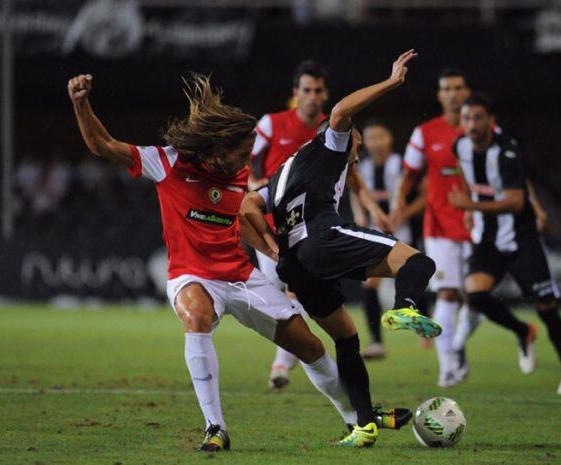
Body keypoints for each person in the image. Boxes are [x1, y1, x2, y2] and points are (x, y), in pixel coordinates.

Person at [67, 72, 406, 452]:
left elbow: (235, 223)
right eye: (241, 154)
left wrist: (274, 250)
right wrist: (81, 102)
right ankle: (216, 428)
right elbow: (102, 144)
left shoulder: (237, 174)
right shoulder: (166, 162)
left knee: (309, 346)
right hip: (191, 276)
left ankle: (356, 418)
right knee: (196, 316)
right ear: (217, 147)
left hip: (241, 278)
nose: (246, 162)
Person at [240, 49, 440, 447]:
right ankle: (406, 306)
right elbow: (339, 112)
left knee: (346, 339)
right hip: (322, 238)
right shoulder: (330, 145)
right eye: (358, 142)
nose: (359, 147)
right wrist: (391, 82)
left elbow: (246, 208)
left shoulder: (282, 172)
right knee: (419, 263)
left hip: (295, 262)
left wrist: (275, 251)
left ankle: (363, 424)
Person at [449, 93, 561, 395]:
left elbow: (514, 199)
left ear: (491, 121)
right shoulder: (461, 147)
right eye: (466, 118)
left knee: (546, 307)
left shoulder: (506, 150)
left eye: (478, 117)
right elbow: (466, 175)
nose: (471, 124)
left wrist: (471, 204)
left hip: (520, 238)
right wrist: (471, 209)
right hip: (487, 240)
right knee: (475, 294)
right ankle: (523, 332)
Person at [392, 67, 480, 387]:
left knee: (478, 298)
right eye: (447, 89)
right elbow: (409, 174)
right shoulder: (425, 133)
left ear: (467, 92)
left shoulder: (483, 129)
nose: (453, 94)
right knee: (446, 293)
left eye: (458, 88)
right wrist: (398, 203)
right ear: (440, 95)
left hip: (479, 224)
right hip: (440, 226)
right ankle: (446, 367)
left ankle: (456, 347)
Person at [249, 60, 329, 390]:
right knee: (276, 295)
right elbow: (247, 160)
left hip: (307, 227)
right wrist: (254, 184)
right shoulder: (272, 123)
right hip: (267, 226)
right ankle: (293, 355)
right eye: (306, 90)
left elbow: (346, 173)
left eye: (318, 91)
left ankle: (282, 362)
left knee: (295, 291)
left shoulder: (330, 129)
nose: (312, 96)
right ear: (296, 94)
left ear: (326, 94)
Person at [349, 119, 411, 360]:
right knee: (370, 283)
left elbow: (423, 194)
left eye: (380, 137)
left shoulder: (400, 165)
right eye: (371, 138)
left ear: (390, 139)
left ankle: (422, 321)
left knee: (412, 275)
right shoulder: (361, 167)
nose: (376, 143)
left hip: (403, 231)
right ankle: (376, 342)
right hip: (375, 233)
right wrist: (360, 215)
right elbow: (356, 191)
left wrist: (403, 213)